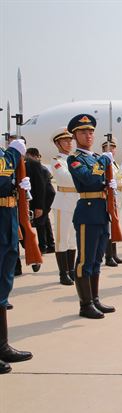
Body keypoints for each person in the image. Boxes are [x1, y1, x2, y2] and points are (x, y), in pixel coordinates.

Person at [66, 114, 116, 319]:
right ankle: (85, 304)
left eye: (91, 132)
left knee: (97, 260)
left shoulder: (96, 158)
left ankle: (94, 299)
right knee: (84, 261)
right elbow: (88, 179)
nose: (88, 135)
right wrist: (104, 161)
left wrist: (109, 185)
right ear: (75, 135)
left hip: (101, 211)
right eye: (83, 132)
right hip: (87, 212)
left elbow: (100, 180)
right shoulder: (75, 159)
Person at [0, 138, 34, 374]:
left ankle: (2, 345)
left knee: (3, 283)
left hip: (7, 217)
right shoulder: (7, 155)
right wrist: (13, 154)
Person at [50, 127, 78, 286]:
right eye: (65, 140)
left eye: (70, 140)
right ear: (57, 143)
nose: (69, 143)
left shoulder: (74, 159)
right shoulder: (57, 160)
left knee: (73, 239)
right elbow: (65, 178)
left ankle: (71, 270)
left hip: (76, 201)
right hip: (63, 201)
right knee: (62, 238)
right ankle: (63, 273)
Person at [101, 138, 122, 267]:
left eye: (113, 148)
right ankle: (108, 256)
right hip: (110, 198)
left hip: (118, 197)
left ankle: (114, 255)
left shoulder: (114, 163)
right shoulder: (105, 162)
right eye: (108, 148)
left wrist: (121, 171)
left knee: (115, 225)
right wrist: (121, 172)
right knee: (110, 228)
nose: (111, 150)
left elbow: (118, 179)